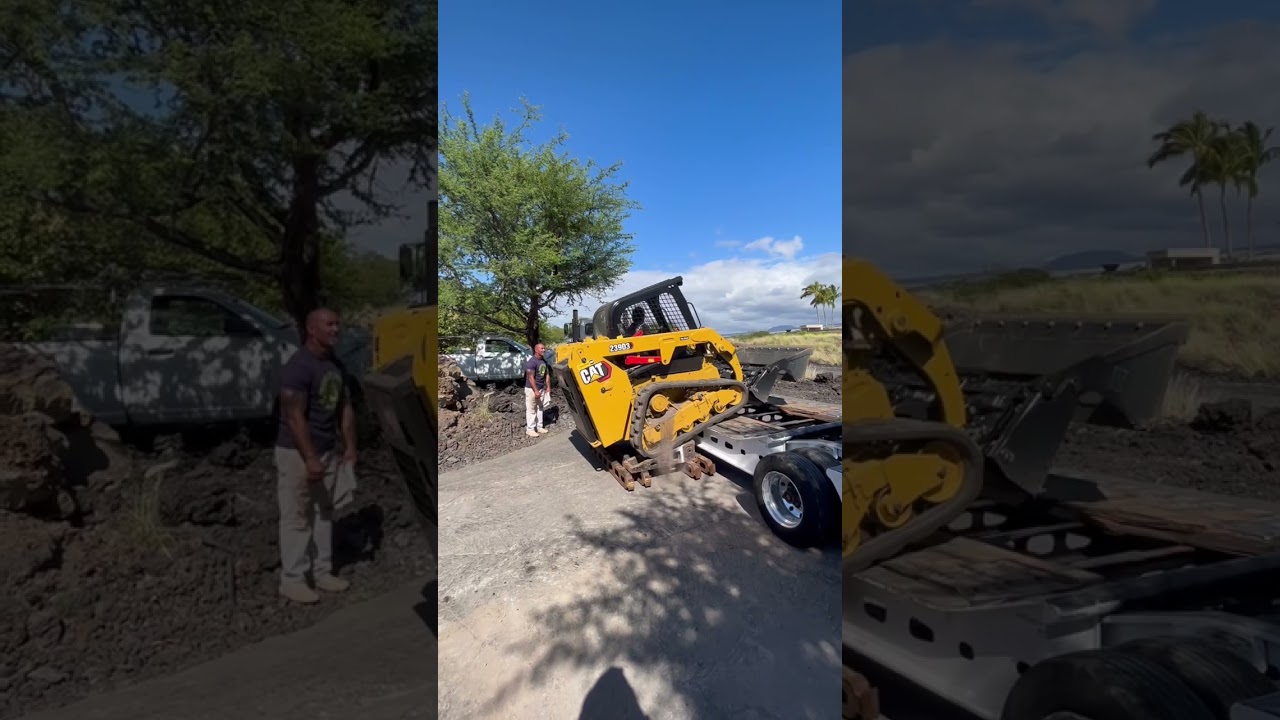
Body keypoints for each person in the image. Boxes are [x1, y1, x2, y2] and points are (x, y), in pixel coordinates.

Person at [274, 307, 357, 605]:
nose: (336, 330)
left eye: (338, 324)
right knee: (297, 517)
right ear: (312, 330)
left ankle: (322, 572)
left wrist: (349, 447)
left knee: (324, 513)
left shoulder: (334, 366)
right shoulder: (299, 367)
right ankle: (292, 579)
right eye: (329, 325)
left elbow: (344, 408)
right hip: (297, 454)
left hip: (326, 451)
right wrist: (309, 458)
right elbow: (294, 417)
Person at [524, 342, 553, 438]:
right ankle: (530, 429)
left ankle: (539, 426)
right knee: (531, 409)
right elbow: (530, 377)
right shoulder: (532, 362)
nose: (544, 350)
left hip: (540, 388)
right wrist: (536, 391)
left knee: (540, 408)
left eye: (544, 348)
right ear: (536, 350)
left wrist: (548, 387)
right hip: (531, 389)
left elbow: (546, 375)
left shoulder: (543, 361)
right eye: (541, 348)